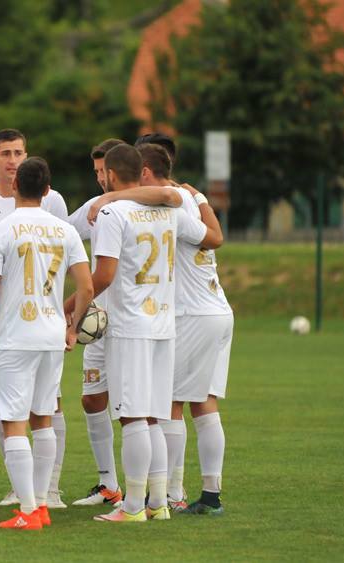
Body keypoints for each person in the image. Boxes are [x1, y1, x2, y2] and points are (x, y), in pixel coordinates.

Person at [66, 144, 222, 523]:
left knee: (133, 417)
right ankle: (158, 503)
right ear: (142, 173)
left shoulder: (112, 212)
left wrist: (71, 307)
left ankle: (134, 506)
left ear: (111, 175)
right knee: (153, 416)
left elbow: (104, 275)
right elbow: (209, 235)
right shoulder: (170, 209)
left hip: (130, 326)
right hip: (165, 325)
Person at [0, 157, 94, 530]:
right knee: (43, 419)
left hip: (15, 336)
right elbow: (86, 287)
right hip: (52, 335)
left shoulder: (2, 230)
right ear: (48, 190)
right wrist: (72, 329)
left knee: (13, 422)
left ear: (15, 187)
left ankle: (27, 510)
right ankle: (41, 503)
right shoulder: (65, 230)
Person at [0, 129, 69, 508]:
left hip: (37, 320)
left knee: (46, 406)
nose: (13, 160)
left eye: (18, 153)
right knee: (8, 407)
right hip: (2, 319)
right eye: (6, 153)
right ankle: (22, 489)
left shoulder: (53, 201)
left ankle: (48, 490)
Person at [137, 143, 232, 515]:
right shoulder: (191, 199)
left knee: (169, 403)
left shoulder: (169, 203)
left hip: (193, 314)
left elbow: (214, 238)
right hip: (218, 310)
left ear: (146, 171)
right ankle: (211, 496)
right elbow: (216, 235)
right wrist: (201, 197)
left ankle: (171, 493)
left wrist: (109, 197)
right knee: (204, 403)